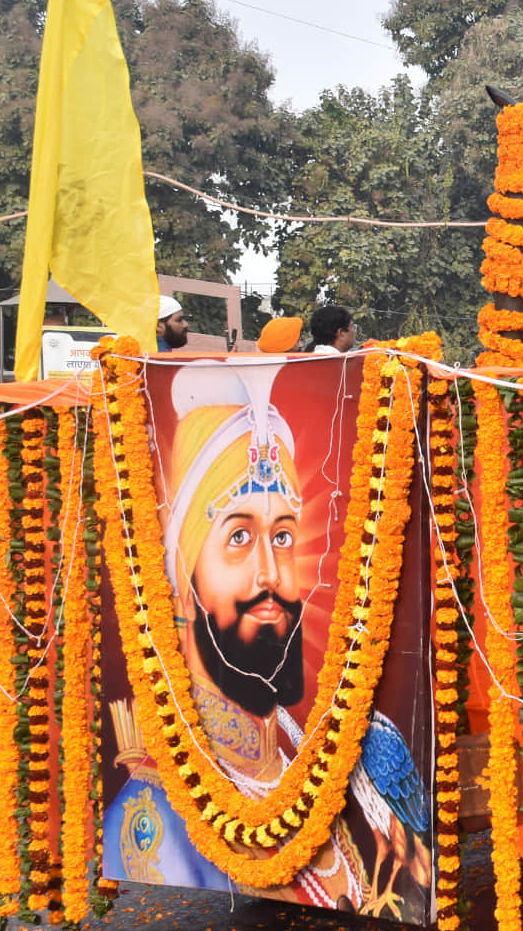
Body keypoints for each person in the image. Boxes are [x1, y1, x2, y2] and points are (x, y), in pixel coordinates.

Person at [102, 364, 431, 913]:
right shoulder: (152, 816)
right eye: (237, 537)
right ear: (185, 578)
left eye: (282, 535)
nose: (271, 574)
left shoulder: (297, 748)